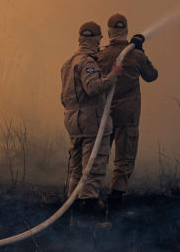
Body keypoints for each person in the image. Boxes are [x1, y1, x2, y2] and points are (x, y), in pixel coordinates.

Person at [60, 21, 122, 220]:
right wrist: (112, 76)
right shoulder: (86, 62)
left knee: (76, 171)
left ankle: (73, 216)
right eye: (99, 39)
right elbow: (93, 87)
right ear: (96, 39)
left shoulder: (67, 63)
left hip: (73, 123)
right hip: (92, 124)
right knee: (92, 169)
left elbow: (64, 98)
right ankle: (87, 217)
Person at [98, 13, 158, 209]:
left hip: (105, 115)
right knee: (124, 157)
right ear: (126, 31)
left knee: (99, 154)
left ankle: (91, 194)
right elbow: (152, 76)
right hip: (128, 114)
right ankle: (115, 200)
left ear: (109, 32)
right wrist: (141, 51)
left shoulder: (100, 55)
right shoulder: (136, 55)